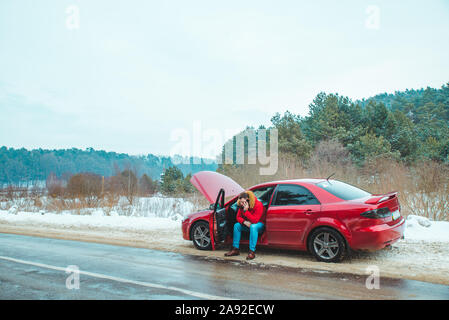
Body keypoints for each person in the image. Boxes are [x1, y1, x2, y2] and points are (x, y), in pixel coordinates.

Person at [224, 190, 265, 260]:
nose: (242, 204)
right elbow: (238, 217)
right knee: (237, 225)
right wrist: (244, 222)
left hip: (259, 225)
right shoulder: (242, 205)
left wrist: (246, 211)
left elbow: (255, 220)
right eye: (241, 202)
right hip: (248, 224)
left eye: (244, 202)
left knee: (253, 226)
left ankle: (252, 252)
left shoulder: (258, 205)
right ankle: (235, 249)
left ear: (248, 200)